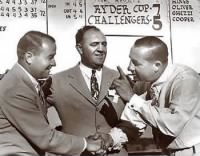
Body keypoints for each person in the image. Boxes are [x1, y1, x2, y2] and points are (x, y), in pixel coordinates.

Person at [0, 31, 103, 156]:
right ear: (29, 57)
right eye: (50, 57)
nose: (54, 63)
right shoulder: (16, 88)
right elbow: (45, 138)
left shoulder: (25, 82)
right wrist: (86, 143)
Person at [46, 25, 141, 156]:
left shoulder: (121, 79)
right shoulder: (56, 81)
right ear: (80, 48)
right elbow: (32, 115)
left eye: (104, 44)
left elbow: (137, 120)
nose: (101, 49)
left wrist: (111, 139)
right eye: (94, 44)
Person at [112, 36, 200, 156]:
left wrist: (132, 97)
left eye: (136, 63)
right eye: (130, 60)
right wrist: (110, 139)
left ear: (156, 65)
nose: (129, 67)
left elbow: (172, 126)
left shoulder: (186, 80)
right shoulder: (151, 82)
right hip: (169, 151)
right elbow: (135, 120)